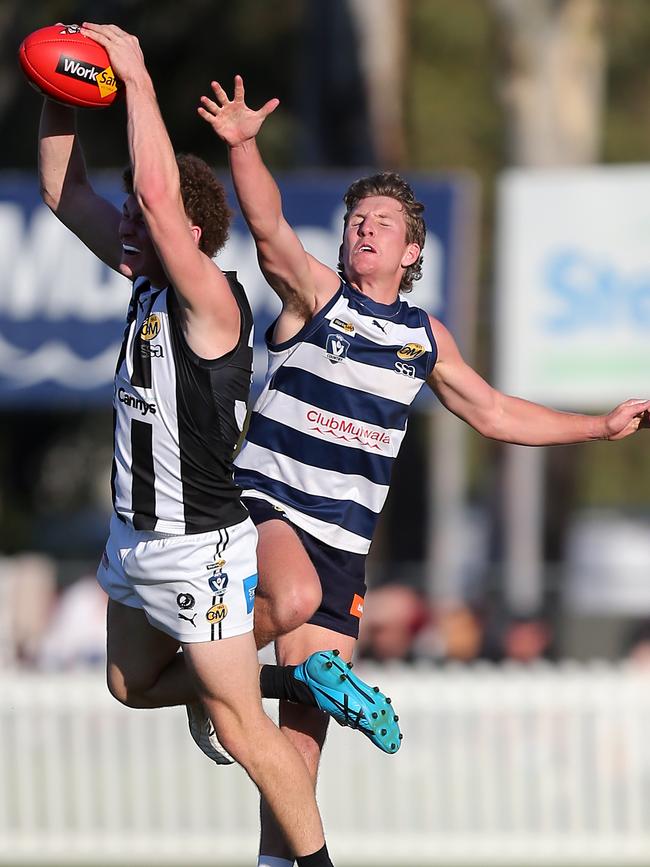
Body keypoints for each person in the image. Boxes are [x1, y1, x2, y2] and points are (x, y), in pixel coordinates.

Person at [197, 74, 650, 867]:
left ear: (411, 253)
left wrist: (599, 428)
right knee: (291, 600)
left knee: (300, 753)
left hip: (344, 542)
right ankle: (212, 678)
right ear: (343, 243)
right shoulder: (318, 297)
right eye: (356, 221)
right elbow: (267, 229)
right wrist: (243, 146)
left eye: (384, 223)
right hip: (267, 507)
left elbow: (497, 413)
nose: (366, 229)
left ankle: (275, 842)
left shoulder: (424, 337)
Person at [36, 23, 368, 867]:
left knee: (244, 731)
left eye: (148, 214)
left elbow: (153, 199)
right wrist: (60, 85)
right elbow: (59, 190)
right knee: (128, 683)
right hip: (132, 539)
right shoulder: (146, 278)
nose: (127, 219)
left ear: (186, 228)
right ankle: (285, 677)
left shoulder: (213, 303)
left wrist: (137, 77)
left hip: (196, 546)